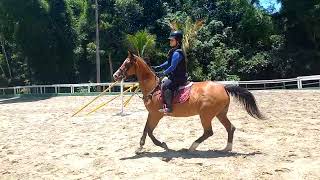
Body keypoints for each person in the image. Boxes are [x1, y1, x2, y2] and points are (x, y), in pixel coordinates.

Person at [152, 30, 188, 113]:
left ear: (177, 41)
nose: (170, 41)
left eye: (172, 40)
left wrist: (163, 73)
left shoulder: (177, 53)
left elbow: (172, 66)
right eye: (170, 40)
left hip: (179, 77)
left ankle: (169, 107)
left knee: (166, 85)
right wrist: (158, 67)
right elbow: (168, 62)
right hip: (175, 76)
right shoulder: (174, 51)